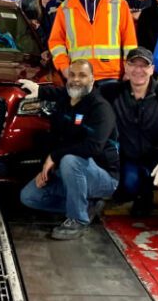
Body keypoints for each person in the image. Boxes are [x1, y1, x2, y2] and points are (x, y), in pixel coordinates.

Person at [18, 60, 119, 239]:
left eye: (82, 75)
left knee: (70, 159)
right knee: (29, 196)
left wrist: (54, 157)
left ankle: (77, 219)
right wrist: (39, 90)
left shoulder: (100, 108)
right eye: (72, 75)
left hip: (103, 177)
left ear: (92, 80)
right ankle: (86, 205)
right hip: (70, 172)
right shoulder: (66, 100)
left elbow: (93, 147)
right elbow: (58, 95)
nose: (76, 80)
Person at [100, 48, 158, 218]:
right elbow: (82, 96)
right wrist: (42, 91)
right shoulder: (112, 92)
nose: (138, 70)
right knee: (129, 184)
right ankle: (140, 195)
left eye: (144, 66)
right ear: (125, 67)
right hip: (128, 158)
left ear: (152, 69)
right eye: (133, 65)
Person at [49, 0, 137, 83]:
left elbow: (130, 41)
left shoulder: (118, 3)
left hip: (111, 75)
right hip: (79, 76)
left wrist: (129, 69)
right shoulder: (65, 8)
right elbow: (56, 42)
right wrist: (64, 67)